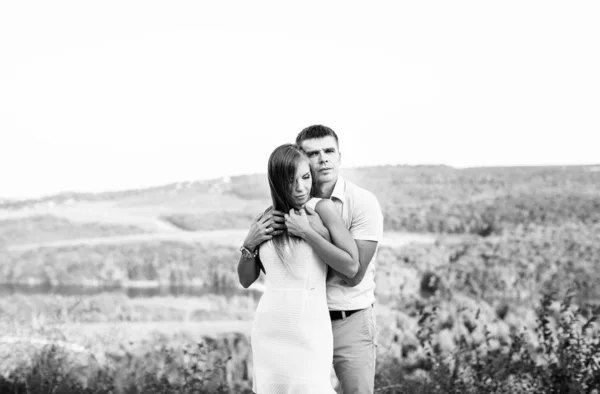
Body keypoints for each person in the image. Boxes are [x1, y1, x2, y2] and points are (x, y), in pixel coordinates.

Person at [238, 125, 384, 394]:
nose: (323, 159)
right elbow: (246, 279)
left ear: (340, 155)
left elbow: (353, 273)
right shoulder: (265, 218)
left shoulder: (350, 205)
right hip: (275, 326)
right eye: (314, 154)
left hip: (343, 319)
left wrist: (306, 230)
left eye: (329, 151)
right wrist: (249, 243)